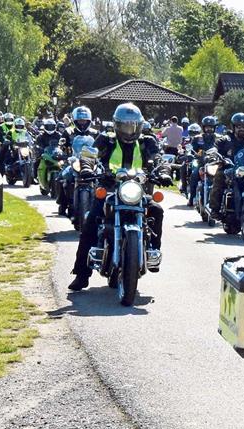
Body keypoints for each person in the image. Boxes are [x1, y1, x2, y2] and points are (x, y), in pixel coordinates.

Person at [68, 103, 171, 291]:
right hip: (110, 190)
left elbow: (159, 158)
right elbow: (90, 155)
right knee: (90, 222)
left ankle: (152, 252)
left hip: (138, 191)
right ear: (117, 125)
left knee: (157, 210)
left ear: (139, 126)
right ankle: (81, 274)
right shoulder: (106, 139)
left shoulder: (148, 142)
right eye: (125, 126)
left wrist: (164, 171)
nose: (129, 131)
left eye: (133, 126)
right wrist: (86, 167)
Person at [207, 112, 244, 219]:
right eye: (238, 126)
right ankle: (215, 209)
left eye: (243, 127)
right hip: (230, 168)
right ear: (233, 127)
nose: (241, 129)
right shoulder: (226, 140)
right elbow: (215, 147)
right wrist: (214, 155)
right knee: (219, 176)